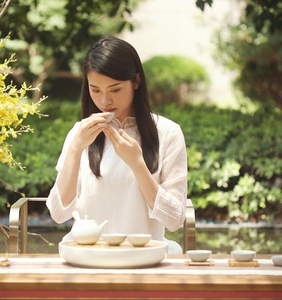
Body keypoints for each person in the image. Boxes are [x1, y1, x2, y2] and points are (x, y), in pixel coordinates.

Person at [46, 36, 187, 254]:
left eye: (115, 90)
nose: (104, 101)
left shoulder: (168, 133)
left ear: (136, 82)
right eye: (95, 90)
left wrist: (137, 164)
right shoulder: (80, 133)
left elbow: (174, 220)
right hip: (88, 259)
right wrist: (75, 149)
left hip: (144, 260)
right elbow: (58, 214)